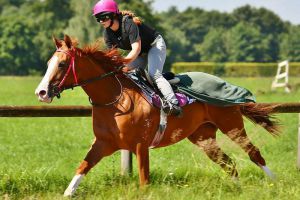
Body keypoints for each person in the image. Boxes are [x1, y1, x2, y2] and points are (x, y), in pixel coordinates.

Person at [92, 0, 182, 116]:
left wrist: (122, 63)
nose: (100, 21)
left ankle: (174, 104)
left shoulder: (128, 23)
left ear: (113, 15)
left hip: (154, 45)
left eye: (103, 18)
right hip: (141, 53)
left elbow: (136, 49)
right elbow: (113, 56)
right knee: (123, 73)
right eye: (98, 19)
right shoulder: (107, 34)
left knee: (154, 74)